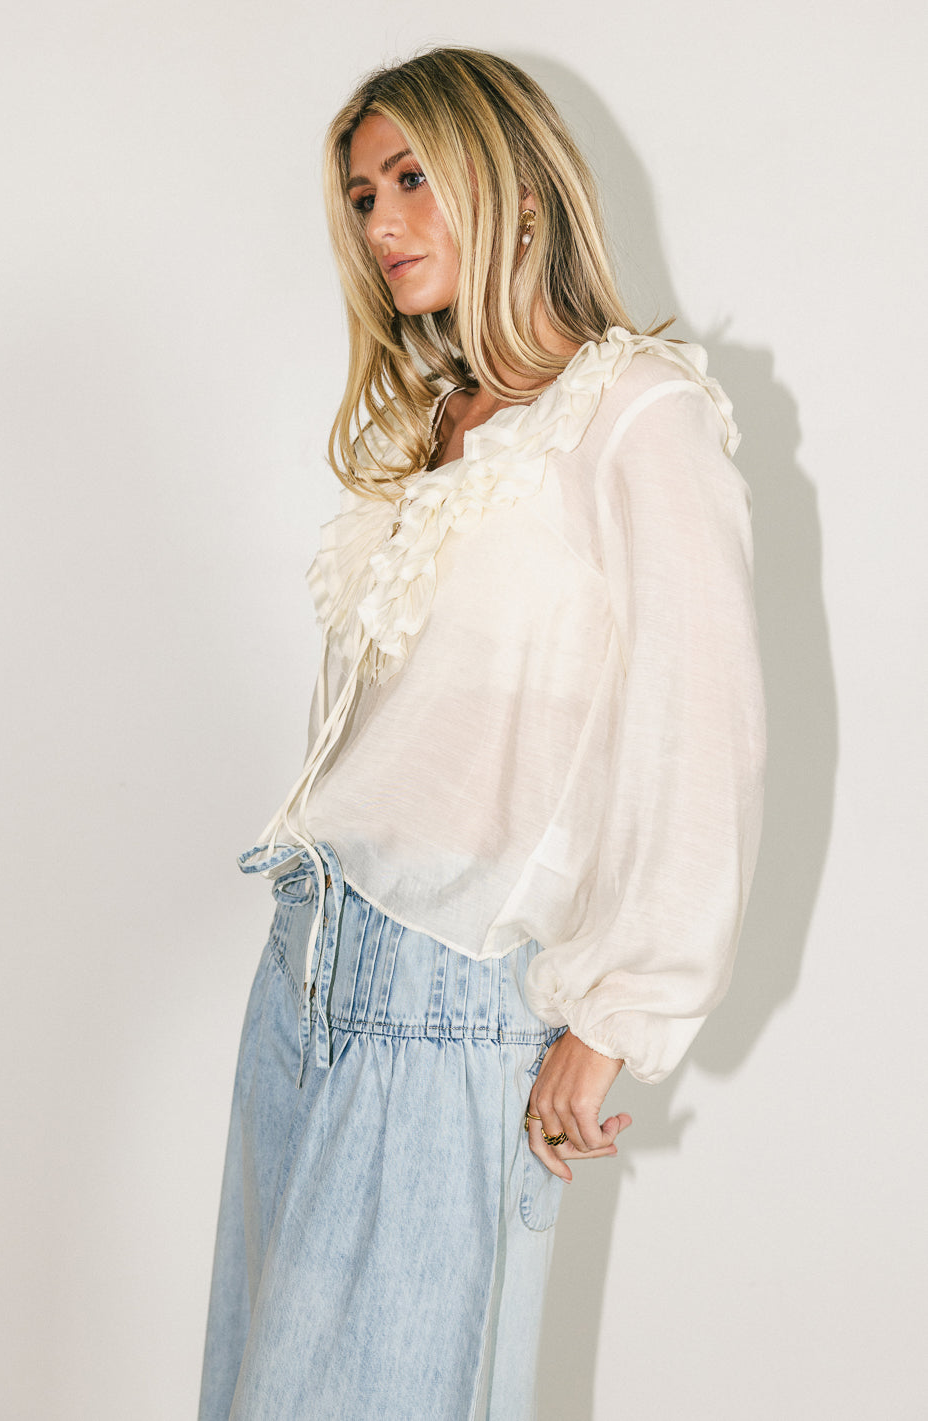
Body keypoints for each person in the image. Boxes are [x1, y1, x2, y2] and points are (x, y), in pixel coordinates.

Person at [198, 45, 765, 1421]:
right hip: (304, 972)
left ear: (513, 187)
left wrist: (614, 1017)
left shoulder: (634, 416)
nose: (380, 224)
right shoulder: (438, 428)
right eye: (361, 197)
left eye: (411, 180)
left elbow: (703, 731)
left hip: (449, 999)